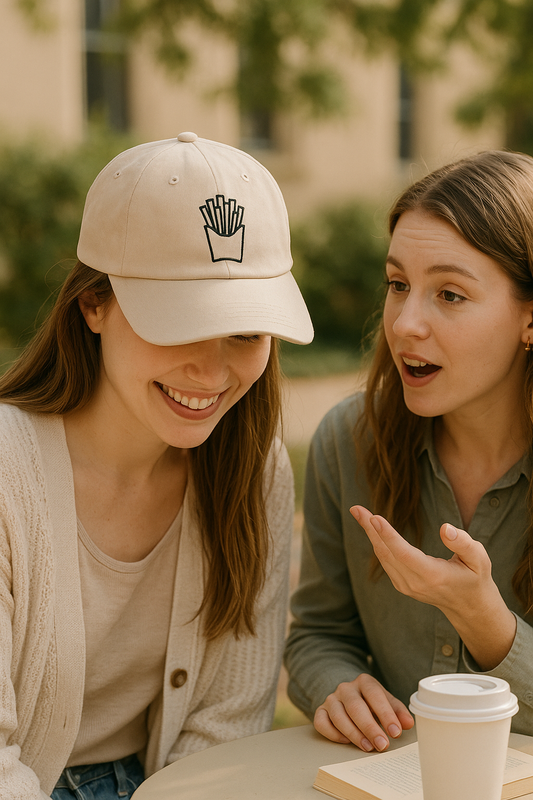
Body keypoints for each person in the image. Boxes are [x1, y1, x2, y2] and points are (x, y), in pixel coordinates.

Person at [0, 132, 313, 800]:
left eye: (245, 331)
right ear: (93, 304)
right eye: (179, 324)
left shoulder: (252, 471)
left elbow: (228, 722)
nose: (212, 371)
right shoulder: (6, 474)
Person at [284, 149, 533, 756]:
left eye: (450, 294)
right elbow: (319, 633)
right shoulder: (348, 441)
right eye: (398, 285)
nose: (404, 324)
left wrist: (485, 620)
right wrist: (336, 685)